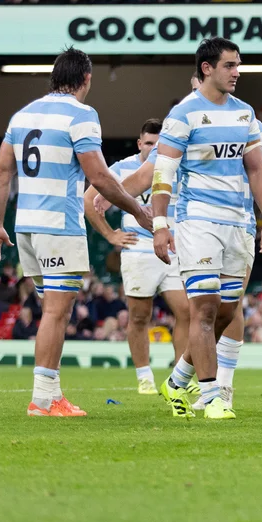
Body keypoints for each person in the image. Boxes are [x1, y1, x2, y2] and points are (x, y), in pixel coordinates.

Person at [0, 48, 153, 417]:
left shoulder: (22, 115)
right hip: (58, 225)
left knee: (51, 311)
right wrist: (138, 210)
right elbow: (100, 176)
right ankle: (43, 399)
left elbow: (1, 174)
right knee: (57, 313)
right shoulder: (81, 114)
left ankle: (52, 393)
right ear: (86, 79)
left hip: (25, 227)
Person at [153, 38, 262, 421]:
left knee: (226, 311)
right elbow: (162, 174)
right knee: (205, 309)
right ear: (207, 68)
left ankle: (177, 380)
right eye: (229, 65)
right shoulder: (184, 114)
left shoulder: (245, 114)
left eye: (238, 65)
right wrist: (160, 225)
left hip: (239, 224)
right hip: (198, 222)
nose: (237, 72)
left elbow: (257, 170)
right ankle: (212, 396)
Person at [83, 119, 190, 395]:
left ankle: (180, 378)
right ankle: (144, 376)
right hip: (139, 248)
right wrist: (110, 235)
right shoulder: (121, 169)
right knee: (140, 316)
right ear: (140, 143)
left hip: (174, 248)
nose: (154, 148)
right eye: (149, 143)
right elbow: (89, 200)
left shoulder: (176, 165)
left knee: (186, 312)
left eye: (159, 144)